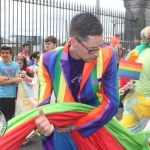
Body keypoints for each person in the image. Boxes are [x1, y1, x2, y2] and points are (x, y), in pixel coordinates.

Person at [36, 12, 120, 149]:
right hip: (62, 128)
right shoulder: (47, 60)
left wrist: (76, 125)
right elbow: (43, 103)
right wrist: (42, 123)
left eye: (100, 46)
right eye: (93, 50)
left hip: (96, 124)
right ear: (74, 41)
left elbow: (111, 103)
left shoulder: (107, 54)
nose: (97, 53)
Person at [120, 26, 150, 133]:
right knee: (146, 140)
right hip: (147, 104)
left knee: (126, 135)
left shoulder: (134, 53)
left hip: (132, 102)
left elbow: (127, 79)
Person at [0, 45, 21, 121]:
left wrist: (5, 78)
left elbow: (18, 79)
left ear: (11, 54)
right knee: (4, 118)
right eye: (3, 53)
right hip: (2, 95)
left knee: (12, 117)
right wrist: (12, 79)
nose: (4, 55)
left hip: (13, 95)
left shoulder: (15, 65)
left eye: (7, 53)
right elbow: (0, 82)